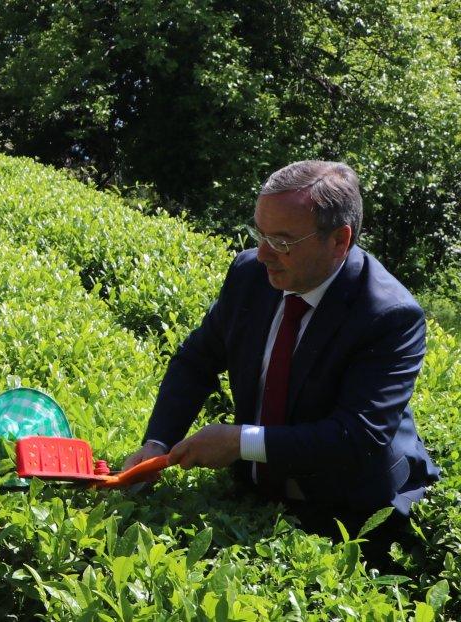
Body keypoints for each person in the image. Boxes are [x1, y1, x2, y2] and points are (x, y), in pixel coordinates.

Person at [124, 160, 439, 565]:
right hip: (256, 492)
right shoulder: (249, 275)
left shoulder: (389, 315)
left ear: (339, 241)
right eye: (261, 233)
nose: (264, 253)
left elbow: (355, 437)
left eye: (283, 240)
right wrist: (157, 443)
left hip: (350, 509)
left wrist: (240, 442)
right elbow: (196, 360)